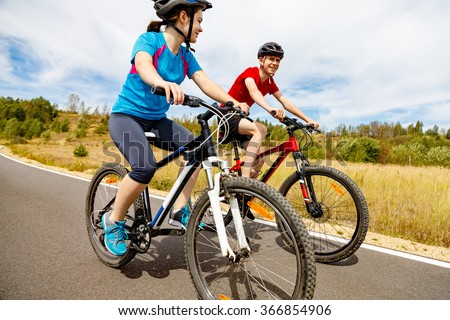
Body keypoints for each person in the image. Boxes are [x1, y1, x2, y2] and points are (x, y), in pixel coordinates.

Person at [104, 0, 248, 256]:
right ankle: (113, 221)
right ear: (183, 17)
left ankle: (180, 208)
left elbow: (204, 81)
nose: (201, 28)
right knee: (145, 167)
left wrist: (232, 102)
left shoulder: (185, 56)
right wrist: (162, 82)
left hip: (156, 120)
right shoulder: (149, 40)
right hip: (126, 116)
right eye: (200, 21)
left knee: (199, 148)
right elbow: (143, 65)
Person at [221, 42, 320, 178]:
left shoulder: (270, 83)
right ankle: (244, 178)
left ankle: (243, 193)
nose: (275, 63)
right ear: (261, 60)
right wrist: (270, 109)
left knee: (260, 159)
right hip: (227, 115)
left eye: (278, 60)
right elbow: (254, 93)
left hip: (242, 118)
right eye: (271, 59)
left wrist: (307, 119)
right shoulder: (250, 73)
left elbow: (285, 101)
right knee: (260, 129)